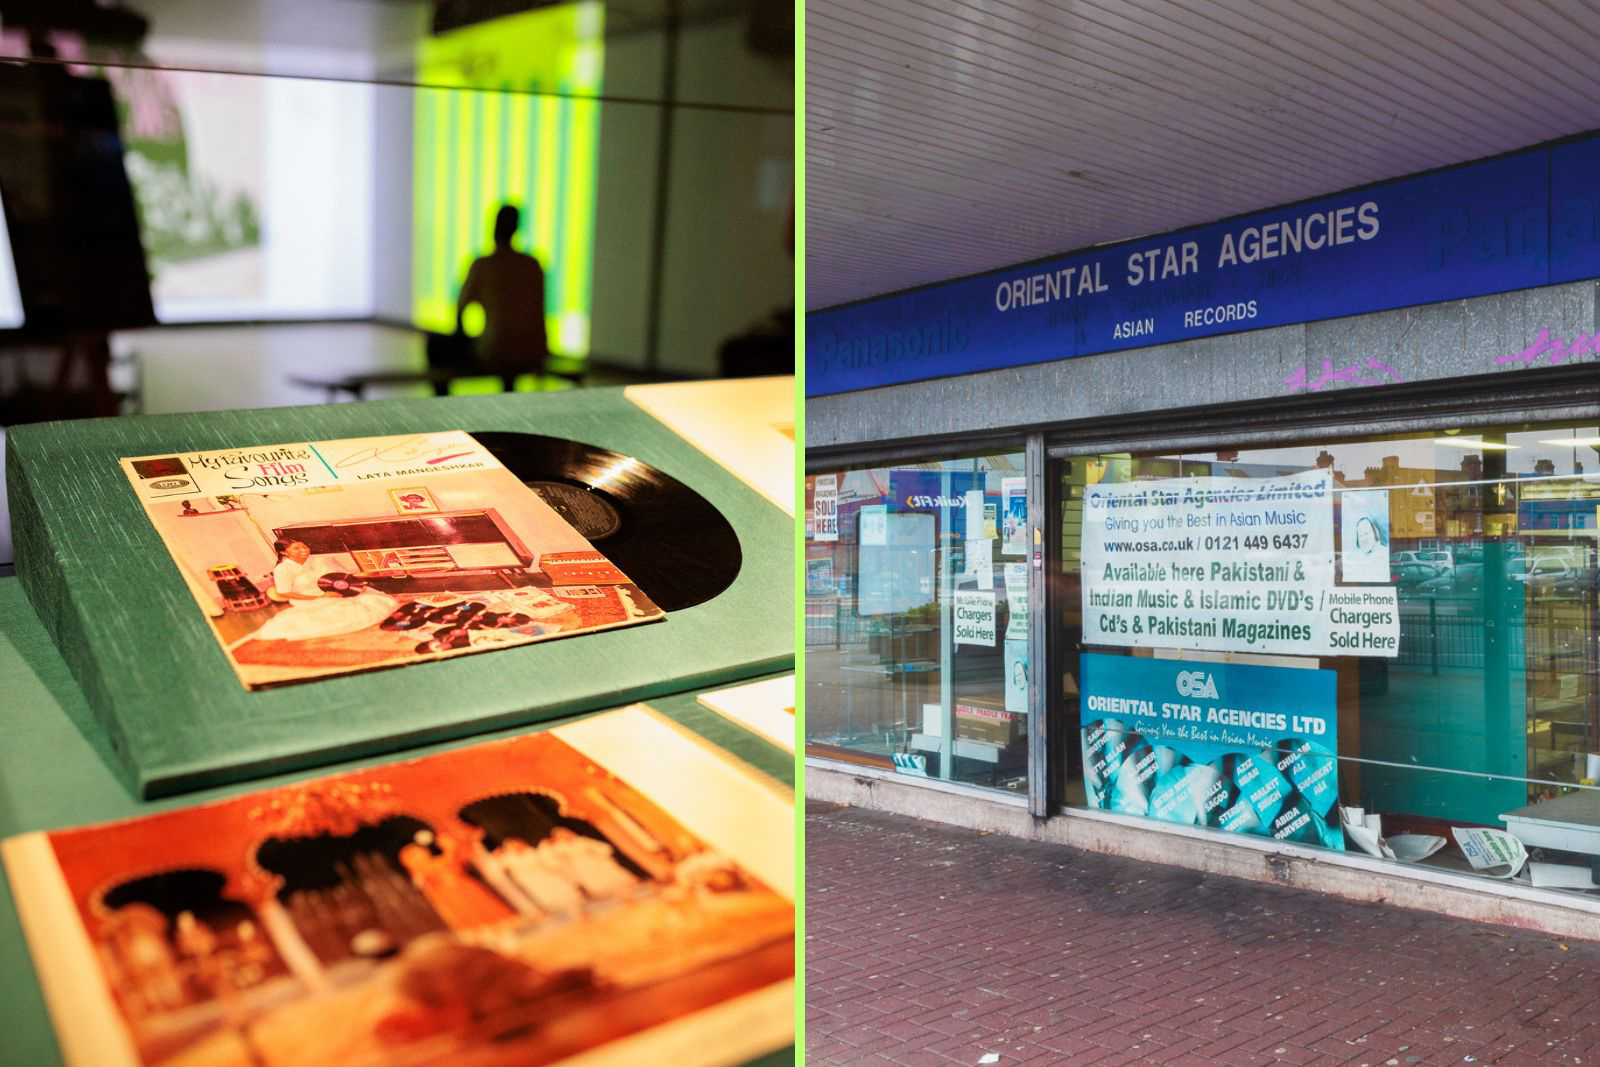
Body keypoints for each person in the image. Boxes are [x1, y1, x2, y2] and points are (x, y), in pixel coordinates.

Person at [455, 204, 549, 393]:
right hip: (531, 353)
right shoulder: (532, 265)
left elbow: (461, 311)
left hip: (494, 353)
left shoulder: (483, 265)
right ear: (516, 229)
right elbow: (539, 315)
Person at [252, 538, 398, 641]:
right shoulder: (283, 569)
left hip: (336, 592)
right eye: (297, 548)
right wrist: (320, 598)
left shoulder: (319, 560)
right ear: (284, 553)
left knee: (375, 601)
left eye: (304, 546)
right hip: (309, 598)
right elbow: (284, 593)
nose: (304, 550)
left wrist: (349, 589)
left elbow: (341, 577)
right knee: (343, 612)